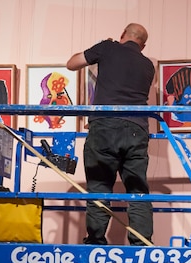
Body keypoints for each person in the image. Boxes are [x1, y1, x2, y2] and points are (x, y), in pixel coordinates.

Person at [66, 23, 156, 245]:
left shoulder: (108, 48)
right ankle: (142, 244)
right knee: (138, 190)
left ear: (122, 35)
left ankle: (96, 242)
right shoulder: (148, 65)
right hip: (137, 129)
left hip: (104, 125)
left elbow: (71, 64)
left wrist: (103, 47)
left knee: (99, 187)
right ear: (142, 46)